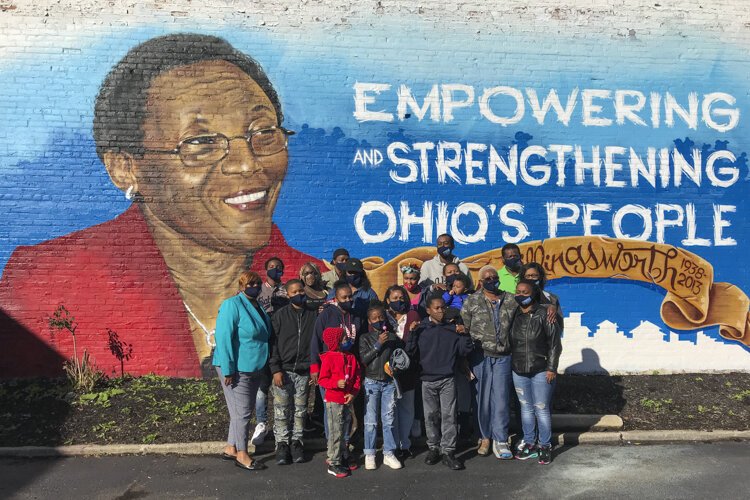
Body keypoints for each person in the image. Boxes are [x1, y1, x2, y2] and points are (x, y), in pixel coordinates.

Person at [0, 34, 323, 377]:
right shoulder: (49, 281)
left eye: (263, 132)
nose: (247, 164)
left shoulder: (318, 282)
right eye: (200, 142)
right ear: (125, 168)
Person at [406, 296, 474, 471]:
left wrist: (464, 334)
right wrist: (412, 333)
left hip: (447, 378)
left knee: (449, 416)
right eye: (436, 308)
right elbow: (411, 352)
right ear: (428, 310)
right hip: (427, 380)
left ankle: (448, 451)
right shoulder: (421, 329)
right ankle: (433, 448)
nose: (440, 311)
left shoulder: (451, 329)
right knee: (430, 416)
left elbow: (464, 350)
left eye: (443, 307)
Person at [212, 270, 271, 471]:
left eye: (257, 284)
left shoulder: (258, 305)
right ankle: (243, 454)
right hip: (236, 367)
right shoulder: (232, 305)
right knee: (243, 412)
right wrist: (229, 370)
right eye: (249, 284)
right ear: (241, 286)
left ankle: (231, 447)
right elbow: (224, 338)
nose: (254, 287)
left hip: (254, 365)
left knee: (237, 410)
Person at [461, 265, 517, 459]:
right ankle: (484, 437)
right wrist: (465, 361)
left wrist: (551, 305)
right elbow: (464, 330)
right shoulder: (472, 300)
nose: (492, 280)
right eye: (487, 278)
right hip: (480, 356)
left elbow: (532, 306)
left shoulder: (510, 299)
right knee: (481, 400)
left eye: (494, 277)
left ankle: (501, 439)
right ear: (481, 281)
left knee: (501, 399)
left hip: (504, 356)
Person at [311, 281, 364, 470]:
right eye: (344, 297)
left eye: (350, 296)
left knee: (348, 415)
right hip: (331, 370)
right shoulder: (326, 314)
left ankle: (345, 449)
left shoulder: (356, 316)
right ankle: (332, 451)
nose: (348, 300)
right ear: (336, 298)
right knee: (332, 415)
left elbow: (359, 342)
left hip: (349, 369)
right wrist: (314, 367)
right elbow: (315, 341)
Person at [509, 280, 562, 465]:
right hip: (518, 370)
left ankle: (545, 445)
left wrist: (551, 368)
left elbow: (555, 344)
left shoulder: (544, 314)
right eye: (518, 292)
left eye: (525, 292)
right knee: (525, 408)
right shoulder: (513, 313)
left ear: (533, 293)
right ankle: (530, 442)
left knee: (541, 408)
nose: (521, 295)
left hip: (541, 370)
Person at [269, 279, 317, 465]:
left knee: (300, 410)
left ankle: (297, 442)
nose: (299, 294)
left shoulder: (312, 315)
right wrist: (275, 369)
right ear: (288, 295)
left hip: (303, 372)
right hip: (284, 371)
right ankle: (282, 444)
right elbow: (273, 344)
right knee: (281, 410)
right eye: (294, 292)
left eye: (301, 291)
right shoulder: (280, 316)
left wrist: (314, 367)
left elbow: (315, 344)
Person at [359, 303, 404, 470]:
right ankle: (370, 453)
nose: (379, 320)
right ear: (369, 321)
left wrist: (397, 367)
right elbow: (364, 359)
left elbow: (400, 357)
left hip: (389, 382)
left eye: (381, 317)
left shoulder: (392, 338)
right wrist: (378, 344)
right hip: (371, 382)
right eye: (375, 318)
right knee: (370, 421)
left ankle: (389, 452)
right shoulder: (365, 338)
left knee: (389, 419)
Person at [253, 256, 289, 446]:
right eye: (271, 267)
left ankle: (280, 425)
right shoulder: (258, 289)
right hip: (263, 342)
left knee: (280, 386)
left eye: (278, 267)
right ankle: (261, 423)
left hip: (281, 342)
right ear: (265, 269)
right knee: (262, 386)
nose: (275, 269)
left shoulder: (286, 291)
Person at [318, 327, 362, 478]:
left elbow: (356, 376)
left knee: (345, 429)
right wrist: (336, 383)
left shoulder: (351, 357)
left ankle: (343, 452)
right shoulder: (329, 357)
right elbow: (322, 379)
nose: (346, 340)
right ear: (335, 342)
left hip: (347, 399)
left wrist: (353, 392)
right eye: (343, 338)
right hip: (333, 400)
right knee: (335, 431)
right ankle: (333, 461)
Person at [384, 285, 422, 459]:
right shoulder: (382, 318)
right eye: (395, 298)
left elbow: (413, 341)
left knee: (406, 408)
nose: (399, 301)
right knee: (390, 409)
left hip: (408, 370)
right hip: (387, 371)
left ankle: (404, 444)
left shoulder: (412, 316)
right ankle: (391, 444)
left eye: (402, 298)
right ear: (387, 301)